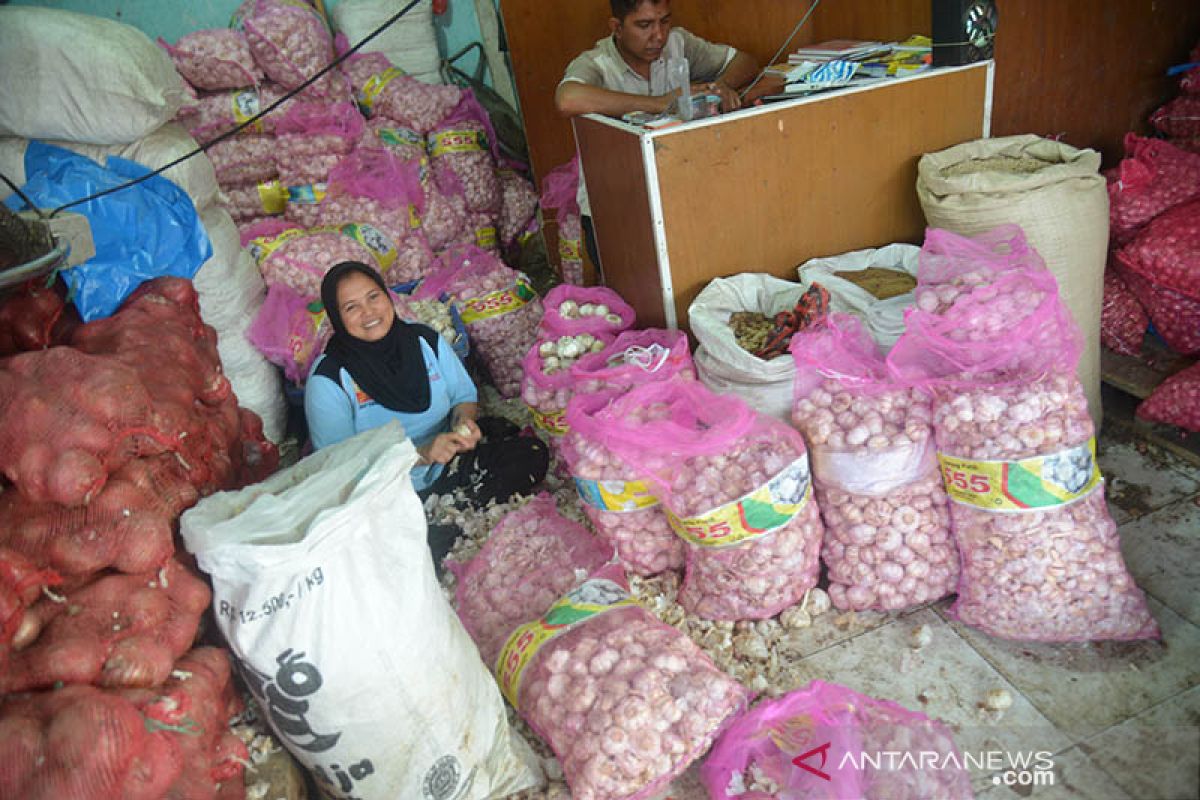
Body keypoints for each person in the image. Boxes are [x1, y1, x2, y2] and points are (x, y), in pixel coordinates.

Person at [305, 262, 549, 564]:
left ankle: (449, 514)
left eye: (373, 297)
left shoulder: (423, 341)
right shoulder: (329, 379)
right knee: (393, 555)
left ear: (388, 297)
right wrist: (419, 454)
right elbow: (340, 467)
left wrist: (463, 425)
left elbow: (463, 396)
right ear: (337, 318)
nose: (368, 313)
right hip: (384, 495)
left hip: (448, 467)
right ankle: (438, 524)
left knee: (531, 453)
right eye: (351, 307)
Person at [555, 0, 760, 269]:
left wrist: (720, 86)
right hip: (616, 208)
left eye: (664, 21)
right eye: (644, 25)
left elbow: (745, 62)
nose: (659, 36)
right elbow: (567, 99)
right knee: (636, 289)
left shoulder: (678, 44)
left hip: (680, 197)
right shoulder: (597, 63)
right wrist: (660, 103)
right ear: (617, 27)